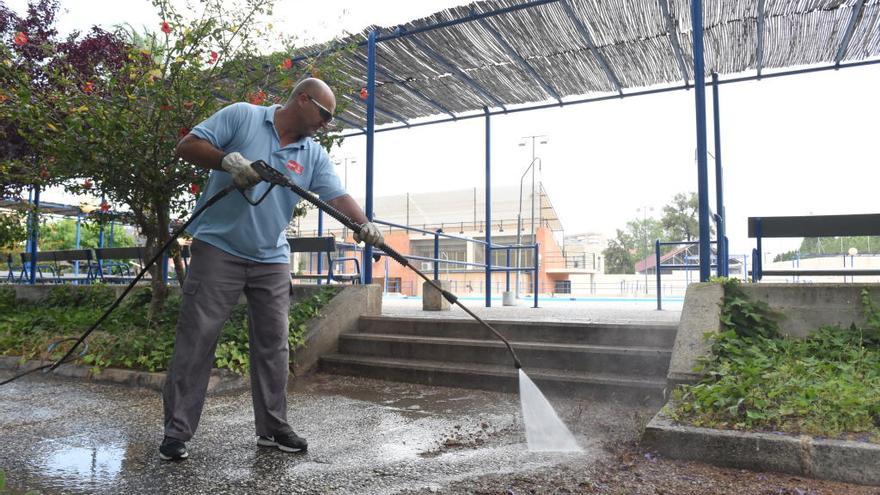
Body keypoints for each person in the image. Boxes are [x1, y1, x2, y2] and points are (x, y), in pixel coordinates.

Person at [159, 78, 383, 461]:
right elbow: (188, 146)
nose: (326, 123)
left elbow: (336, 195)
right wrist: (227, 160)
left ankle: (273, 429)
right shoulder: (243, 117)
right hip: (218, 247)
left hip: (271, 257)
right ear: (302, 99)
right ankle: (177, 432)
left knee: (274, 345)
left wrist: (364, 225)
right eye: (324, 114)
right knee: (197, 340)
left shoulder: (311, 153)